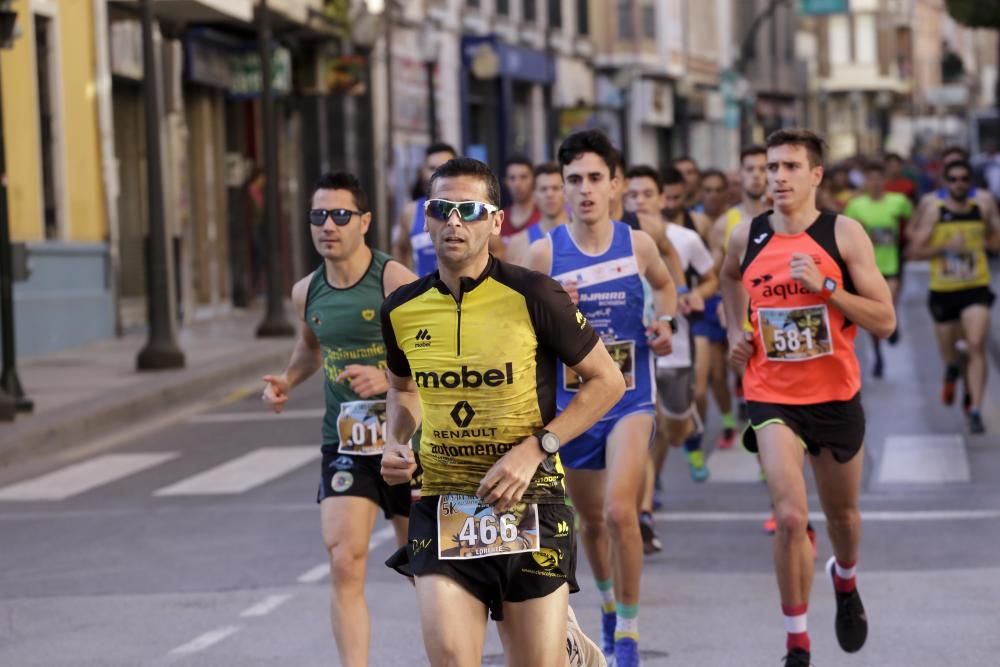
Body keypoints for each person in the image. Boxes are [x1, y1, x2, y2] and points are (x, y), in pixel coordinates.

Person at [380, 156, 622, 667]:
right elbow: (402, 392)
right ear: (425, 219)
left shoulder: (534, 294)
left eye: (469, 210)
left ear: (496, 220)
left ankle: (566, 645)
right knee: (449, 654)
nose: (454, 222)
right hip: (446, 504)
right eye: (441, 208)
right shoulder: (401, 308)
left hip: (530, 503)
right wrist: (396, 440)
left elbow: (607, 382)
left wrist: (537, 448)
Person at [721, 129, 895, 667]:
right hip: (771, 396)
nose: (778, 178)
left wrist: (827, 288)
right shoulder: (745, 235)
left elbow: (885, 321)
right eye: (772, 167)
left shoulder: (843, 234)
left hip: (835, 396)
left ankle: (844, 580)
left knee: (843, 518)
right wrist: (735, 330)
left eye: (791, 167)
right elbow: (729, 280)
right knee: (791, 517)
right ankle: (796, 641)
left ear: (816, 175)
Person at [527, 130, 677, 667]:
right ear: (562, 187)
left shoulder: (636, 244)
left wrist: (665, 322)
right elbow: (519, 333)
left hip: (631, 398)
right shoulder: (543, 253)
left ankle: (631, 634)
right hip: (575, 408)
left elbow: (665, 285)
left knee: (619, 511)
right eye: (574, 180)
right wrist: (549, 312)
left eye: (596, 178)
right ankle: (610, 610)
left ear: (616, 184)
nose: (585, 190)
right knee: (589, 522)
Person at [261, 173, 418, 667]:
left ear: (365, 222)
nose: (328, 225)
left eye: (340, 215)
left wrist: (386, 376)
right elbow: (311, 347)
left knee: (429, 569)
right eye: (318, 215)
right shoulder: (306, 291)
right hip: (346, 442)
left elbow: (437, 356)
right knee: (344, 560)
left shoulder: (395, 281)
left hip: (407, 442)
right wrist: (288, 378)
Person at [624, 164, 718, 555]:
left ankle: (684, 432)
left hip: (675, 347)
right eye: (633, 195)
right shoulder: (615, 237)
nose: (640, 201)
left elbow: (707, 277)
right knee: (647, 426)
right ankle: (643, 513)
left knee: (672, 430)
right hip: (636, 351)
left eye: (647, 194)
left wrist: (689, 294)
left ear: (662, 198)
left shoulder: (682, 236)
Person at [907, 159, 1000, 434]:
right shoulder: (936, 213)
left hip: (976, 286)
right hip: (944, 291)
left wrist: (988, 236)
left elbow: (996, 242)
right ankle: (952, 370)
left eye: (964, 179)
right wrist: (944, 246)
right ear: (945, 184)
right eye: (954, 179)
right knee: (951, 354)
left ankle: (974, 408)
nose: (959, 184)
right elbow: (914, 252)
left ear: (970, 182)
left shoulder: (980, 209)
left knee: (975, 345)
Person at [659, 166, 737, 452]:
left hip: (699, 312)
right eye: (665, 197)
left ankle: (706, 430)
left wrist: (696, 293)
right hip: (662, 320)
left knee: (710, 380)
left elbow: (712, 271)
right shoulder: (639, 231)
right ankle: (687, 436)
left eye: (675, 197)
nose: (669, 203)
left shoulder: (699, 224)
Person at [843, 161, 913, 377]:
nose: (874, 183)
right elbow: (844, 232)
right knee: (874, 315)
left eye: (878, 178)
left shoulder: (898, 201)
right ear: (865, 181)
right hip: (866, 267)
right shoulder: (855, 205)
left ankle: (893, 321)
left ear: (884, 181)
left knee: (887, 301)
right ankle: (878, 353)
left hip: (892, 262)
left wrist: (910, 241)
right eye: (870, 179)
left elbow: (912, 221)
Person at [392, 142, 457, 276]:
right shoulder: (411, 211)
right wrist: (404, 287)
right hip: (424, 295)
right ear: (422, 172)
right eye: (432, 168)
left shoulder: (469, 210)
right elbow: (400, 249)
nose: (438, 174)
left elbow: (496, 250)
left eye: (445, 167)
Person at [504, 162, 569, 267]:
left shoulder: (585, 234)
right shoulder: (517, 243)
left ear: (566, 192)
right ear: (534, 195)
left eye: (555, 188)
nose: (549, 194)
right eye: (543, 189)